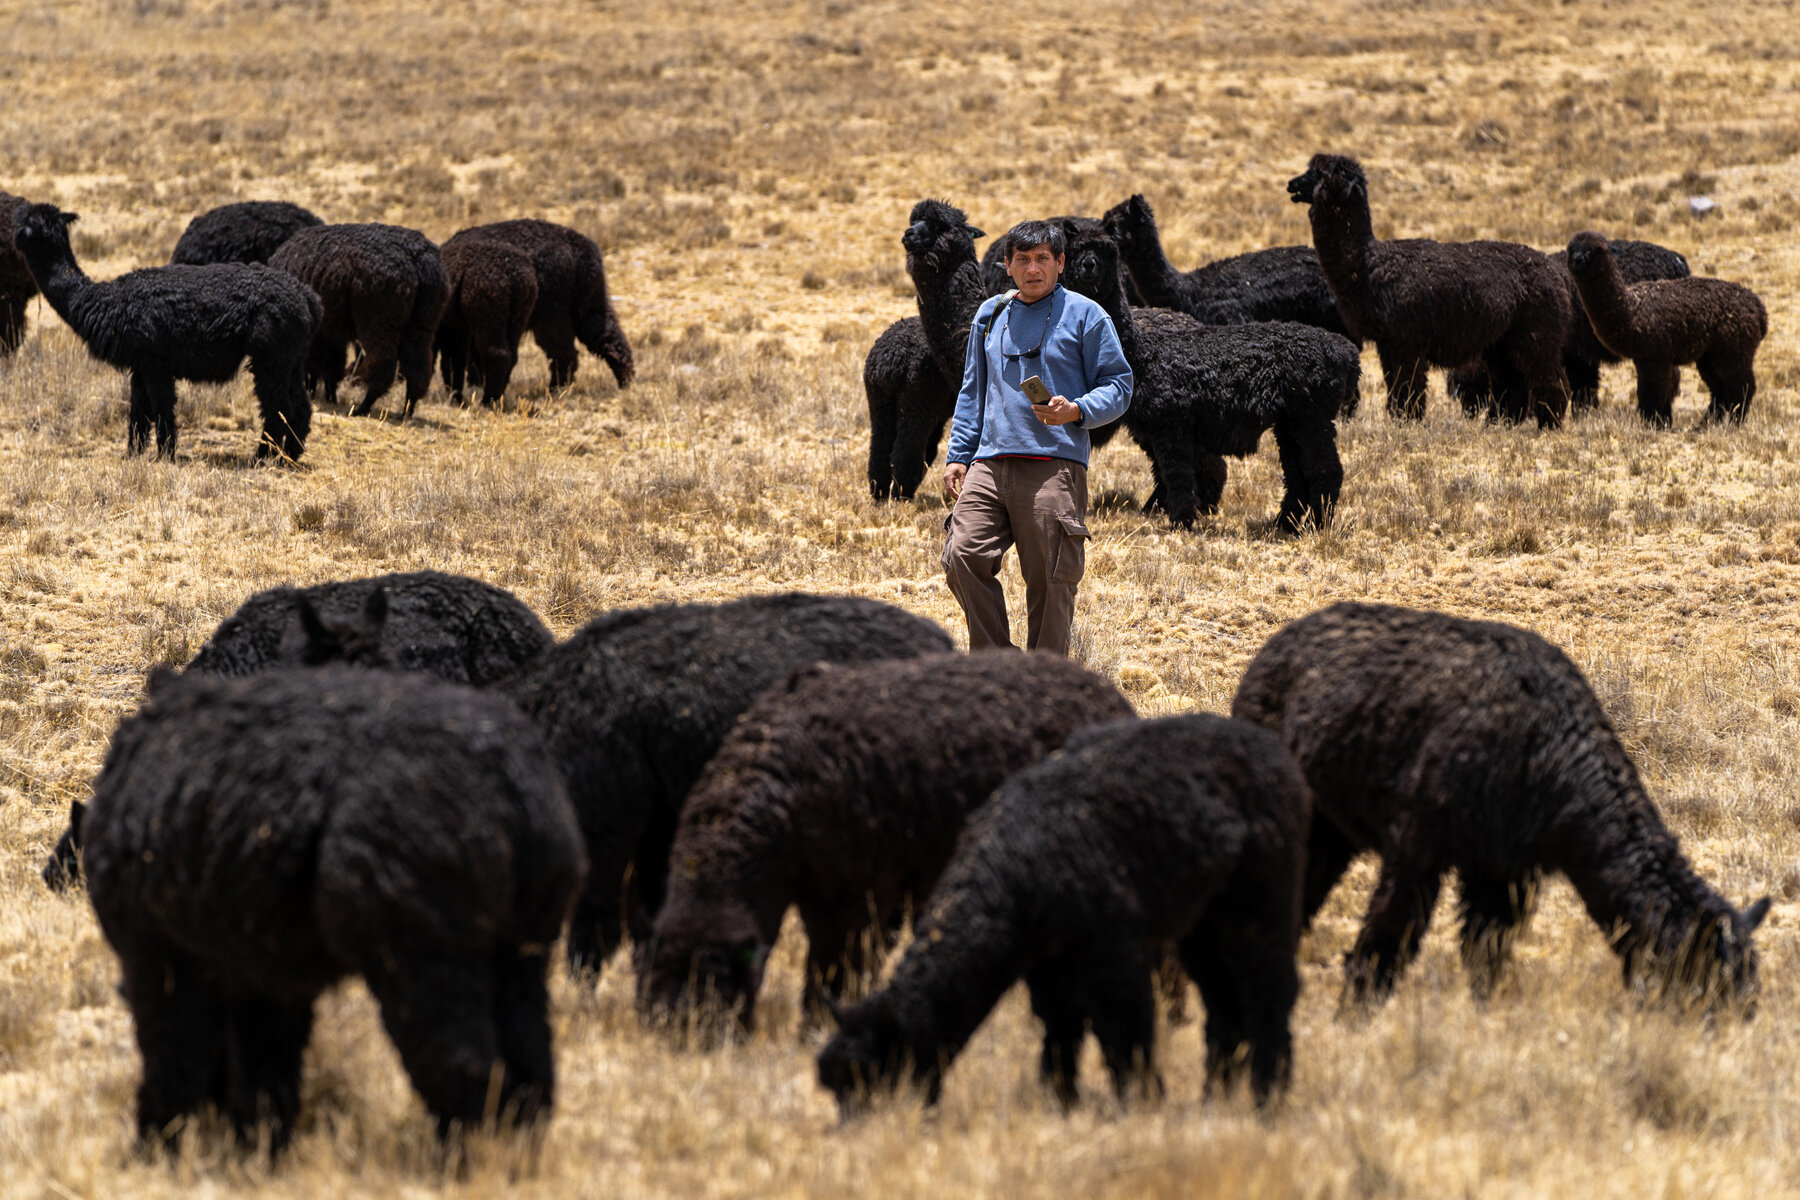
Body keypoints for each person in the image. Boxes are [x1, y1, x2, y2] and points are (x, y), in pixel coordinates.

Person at [940, 220, 1132, 655]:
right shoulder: (989, 315)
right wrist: (959, 454)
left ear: (1060, 263)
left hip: (1052, 467)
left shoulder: (1087, 315)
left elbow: (1119, 385)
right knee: (962, 556)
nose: (1032, 269)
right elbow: (973, 389)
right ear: (1007, 265)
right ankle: (998, 667)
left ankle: (1044, 682)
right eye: (1022, 260)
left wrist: (1077, 410)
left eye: (1043, 258)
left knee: (1050, 581)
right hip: (989, 464)